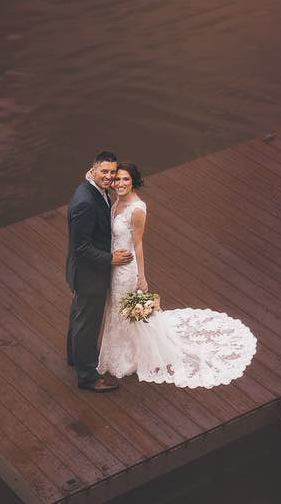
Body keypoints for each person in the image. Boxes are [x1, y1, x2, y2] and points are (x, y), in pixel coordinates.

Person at [97, 162, 257, 387]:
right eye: (117, 180)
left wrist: (141, 277)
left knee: (125, 312)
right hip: (114, 265)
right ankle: (116, 351)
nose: (121, 183)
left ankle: (130, 356)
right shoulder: (116, 205)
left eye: (125, 179)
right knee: (115, 309)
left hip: (126, 269)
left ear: (133, 182)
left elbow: (138, 245)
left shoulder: (137, 209)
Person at [66, 150, 132, 392]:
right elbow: (80, 247)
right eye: (104, 171)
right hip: (88, 274)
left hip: (83, 272)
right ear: (93, 169)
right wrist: (110, 258)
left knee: (78, 315)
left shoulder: (94, 189)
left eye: (112, 172)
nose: (109, 177)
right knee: (88, 324)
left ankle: (74, 357)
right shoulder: (84, 202)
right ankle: (88, 377)